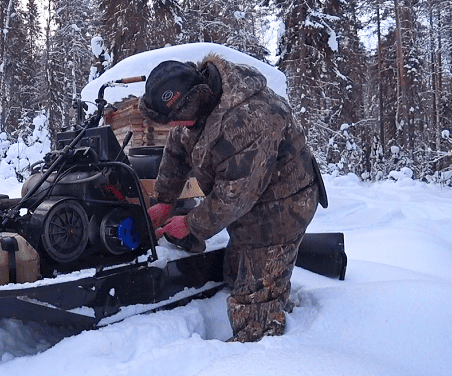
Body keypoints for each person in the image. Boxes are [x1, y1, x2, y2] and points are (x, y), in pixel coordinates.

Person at [138, 54, 327, 342]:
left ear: (192, 101)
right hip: (249, 203)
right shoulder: (197, 109)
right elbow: (177, 151)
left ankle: (254, 363)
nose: (174, 126)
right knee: (233, 273)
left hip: (282, 207)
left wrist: (190, 224)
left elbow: (234, 196)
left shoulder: (248, 119)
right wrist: (164, 200)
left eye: (176, 119)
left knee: (254, 304)